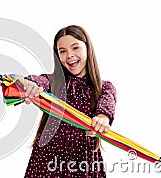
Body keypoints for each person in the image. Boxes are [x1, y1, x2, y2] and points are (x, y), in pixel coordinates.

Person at [23, 25, 117, 177]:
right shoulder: (53, 82)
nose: (69, 56)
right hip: (47, 160)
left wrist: (102, 119)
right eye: (62, 51)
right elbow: (38, 81)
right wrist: (29, 84)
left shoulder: (104, 88)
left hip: (83, 162)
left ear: (87, 48)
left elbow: (106, 106)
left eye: (75, 48)